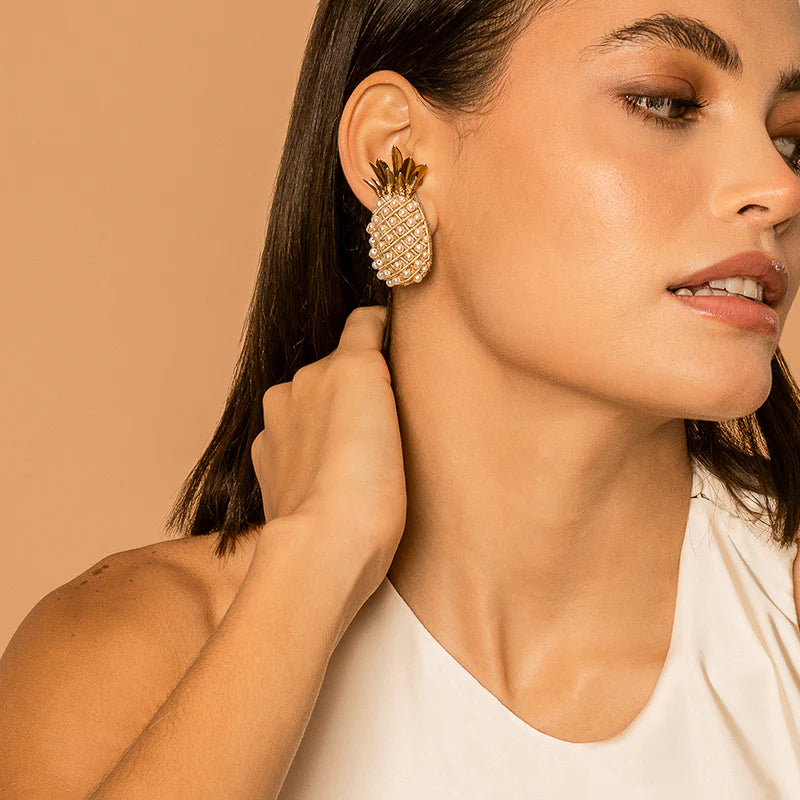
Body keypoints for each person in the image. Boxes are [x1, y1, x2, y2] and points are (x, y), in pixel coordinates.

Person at [2, 0, 800, 796]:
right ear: (399, 153)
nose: (779, 185)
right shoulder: (133, 657)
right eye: (665, 102)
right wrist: (309, 564)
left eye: (791, 138)